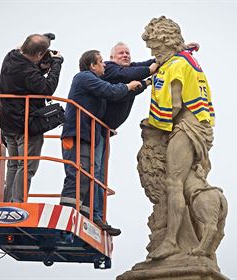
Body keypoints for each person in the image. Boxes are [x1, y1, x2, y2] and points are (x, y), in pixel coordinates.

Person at [141, 16, 215, 260]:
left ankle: (171, 241)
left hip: (186, 127)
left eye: (156, 48)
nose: (154, 53)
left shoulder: (174, 65)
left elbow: (172, 105)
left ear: (167, 44)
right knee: (186, 184)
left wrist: (153, 124)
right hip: (201, 125)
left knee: (173, 183)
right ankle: (189, 237)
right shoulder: (189, 60)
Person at [60, 50, 141, 236]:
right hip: (77, 134)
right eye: (101, 62)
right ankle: (67, 214)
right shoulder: (84, 77)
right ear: (92, 65)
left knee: (92, 176)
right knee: (78, 173)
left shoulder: (92, 80)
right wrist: (128, 86)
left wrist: (142, 83)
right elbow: (110, 91)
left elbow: (114, 95)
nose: (104, 65)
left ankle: (91, 216)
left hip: (89, 135)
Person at [92, 42, 158, 225]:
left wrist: (175, 51)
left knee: (100, 172)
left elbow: (144, 65)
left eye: (128, 53)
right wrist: (149, 73)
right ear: (111, 57)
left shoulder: (128, 69)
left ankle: (98, 213)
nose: (125, 56)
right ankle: (93, 211)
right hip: (95, 128)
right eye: (121, 53)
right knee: (94, 170)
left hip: (104, 131)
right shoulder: (111, 70)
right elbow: (129, 76)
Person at [0, 34, 63, 203]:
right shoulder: (27, 72)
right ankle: (18, 203)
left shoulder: (10, 57)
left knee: (13, 165)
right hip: (25, 126)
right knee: (27, 166)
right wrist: (56, 64)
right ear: (40, 54)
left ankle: (8, 202)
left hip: (8, 124)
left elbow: (27, 51)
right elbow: (47, 88)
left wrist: (44, 43)